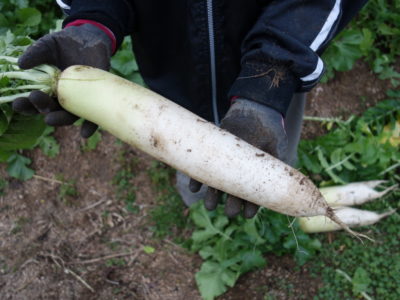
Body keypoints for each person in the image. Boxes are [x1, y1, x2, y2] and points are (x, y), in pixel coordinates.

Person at [13, 0, 368, 218]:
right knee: (178, 148)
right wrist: (94, 16)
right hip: (172, 66)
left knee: (272, 147)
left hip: (271, 74)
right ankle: (192, 193)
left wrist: (267, 82)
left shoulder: (272, 77)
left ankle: (275, 184)